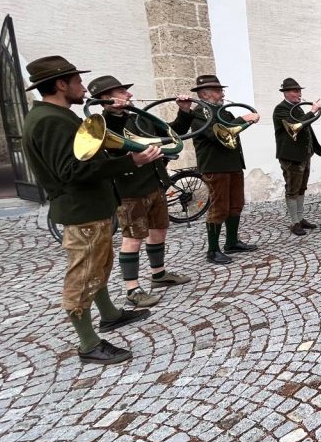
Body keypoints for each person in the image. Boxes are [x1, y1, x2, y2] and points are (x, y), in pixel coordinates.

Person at [23, 56, 163, 365]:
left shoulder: (58, 115)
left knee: (98, 267)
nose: (83, 87)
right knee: (83, 276)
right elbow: (71, 171)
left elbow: (96, 146)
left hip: (91, 208)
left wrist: (112, 118)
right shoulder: (50, 120)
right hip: (80, 211)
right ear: (61, 85)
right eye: (77, 82)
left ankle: (110, 314)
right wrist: (132, 162)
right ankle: (88, 344)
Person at [87, 75, 193, 307]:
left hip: (154, 182)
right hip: (130, 189)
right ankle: (132, 289)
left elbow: (173, 133)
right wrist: (114, 113)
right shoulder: (101, 124)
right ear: (107, 98)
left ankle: (158, 274)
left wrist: (184, 111)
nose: (130, 95)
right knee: (133, 237)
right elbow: (111, 143)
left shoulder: (139, 119)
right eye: (123, 92)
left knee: (159, 229)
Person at [191, 74, 260, 263]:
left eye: (221, 90)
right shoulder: (200, 113)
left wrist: (243, 122)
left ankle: (232, 242)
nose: (222, 94)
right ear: (205, 94)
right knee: (219, 207)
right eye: (218, 90)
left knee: (236, 204)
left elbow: (231, 131)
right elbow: (217, 134)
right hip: (215, 166)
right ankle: (213, 250)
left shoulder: (223, 111)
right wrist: (244, 119)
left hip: (232, 164)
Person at [273, 78, 321, 236]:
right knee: (292, 189)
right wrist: (312, 111)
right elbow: (296, 126)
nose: (299, 94)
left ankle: (301, 218)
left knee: (302, 188)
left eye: (299, 91)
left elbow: (305, 127)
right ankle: (294, 222)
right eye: (295, 91)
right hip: (291, 156)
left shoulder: (297, 108)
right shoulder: (280, 109)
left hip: (304, 154)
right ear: (286, 93)